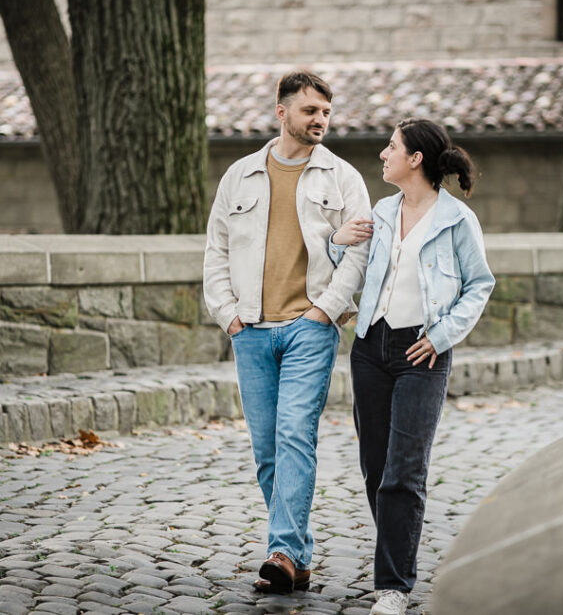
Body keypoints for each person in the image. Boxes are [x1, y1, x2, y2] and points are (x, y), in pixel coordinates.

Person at [203, 71, 371, 594]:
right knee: (267, 450)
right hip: (250, 330)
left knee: (296, 434)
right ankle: (295, 558)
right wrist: (228, 315)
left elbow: (360, 253)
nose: (320, 120)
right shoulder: (240, 175)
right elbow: (216, 252)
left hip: (309, 329)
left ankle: (281, 552)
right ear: (282, 112)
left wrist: (324, 311)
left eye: (325, 112)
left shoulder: (342, 178)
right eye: (310, 111)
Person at [329, 118, 494, 615]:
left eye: (392, 147)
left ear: (415, 159)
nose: (383, 154)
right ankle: (396, 551)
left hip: (422, 353)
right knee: (375, 468)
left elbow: (479, 285)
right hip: (370, 349)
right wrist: (339, 240)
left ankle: (393, 587)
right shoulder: (381, 212)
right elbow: (350, 268)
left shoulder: (457, 220)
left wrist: (440, 338)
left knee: (404, 472)